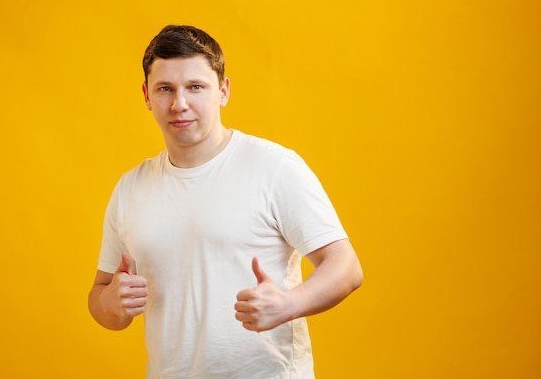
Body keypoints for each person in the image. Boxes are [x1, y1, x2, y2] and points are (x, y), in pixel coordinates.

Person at [88, 24, 363, 379]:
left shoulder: (274, 167)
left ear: (223, 91)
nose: (179, 104)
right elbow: (100, 295)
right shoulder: (131, 188)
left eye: (196, 87)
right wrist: (111, 305)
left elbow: (345, 266)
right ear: (146, 95)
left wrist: (287, 305)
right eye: (165, 89)